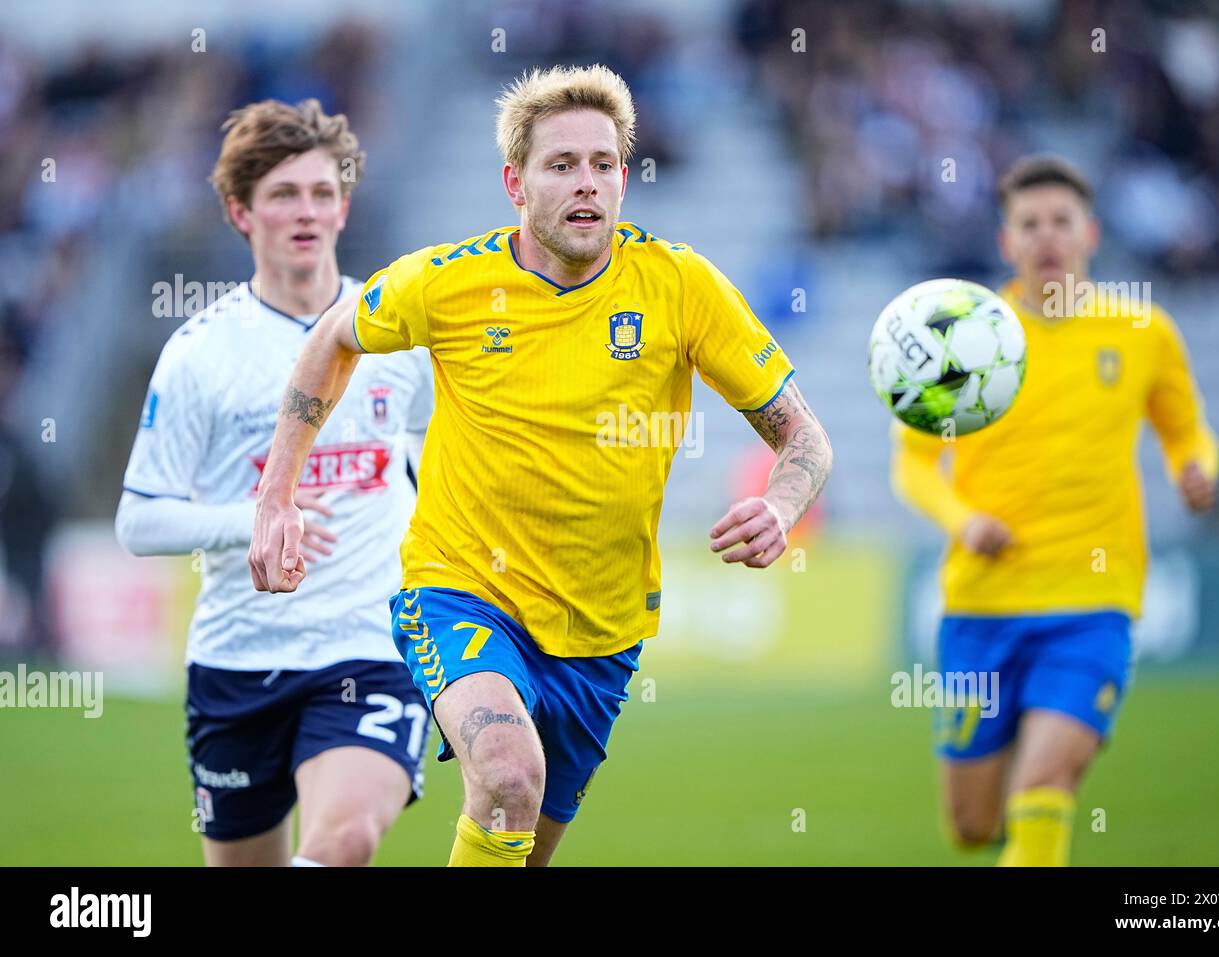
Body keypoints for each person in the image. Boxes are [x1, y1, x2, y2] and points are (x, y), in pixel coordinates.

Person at [248, 64, 833, 867]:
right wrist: (276, 495)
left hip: (600, 635)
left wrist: (780, 504)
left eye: (603, 164)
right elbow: (331, 338)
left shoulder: (679, 285)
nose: (587, 183)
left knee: (519, 846)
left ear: (624, 177)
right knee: (509, 775)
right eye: (562, 165)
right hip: (461, 591)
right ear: (514, 182)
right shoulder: (450, 283)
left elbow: (804, 438)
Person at [116, 99, 434, 866]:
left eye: (322, 193)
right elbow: (138, 521)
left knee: (347, 838)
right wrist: (256, 518)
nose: (306, 212)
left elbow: (426, 441)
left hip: (372, 643)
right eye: (283, 195)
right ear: (240, 212)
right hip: (239, 659)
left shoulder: (396, 331)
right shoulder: (201, 354)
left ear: (344, 206)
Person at [891, 154, 1219, 866]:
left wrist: (1196, 467)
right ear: (1007, 242)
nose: (1046, 237)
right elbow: (912, 464)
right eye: (1029, 223)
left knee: (1044, 782)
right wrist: (962, 520)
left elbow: (1186, 429)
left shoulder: (1144, 332)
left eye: (1061, 221)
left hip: (1093, 600)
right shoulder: (966, 338)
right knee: (973, 825)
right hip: (981, 607)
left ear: (1090, 233)